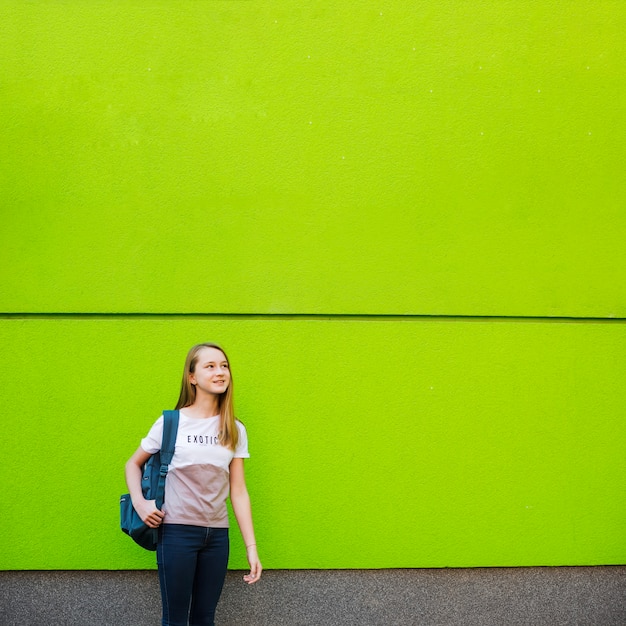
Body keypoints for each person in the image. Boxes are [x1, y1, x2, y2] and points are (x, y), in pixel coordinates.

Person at [125, 342, 261, 626]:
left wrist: (251, 546)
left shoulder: (234, 428)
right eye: (210, 366)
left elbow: (238, 491)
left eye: (224, 366)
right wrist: (140, 503)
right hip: (176, 533)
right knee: (175, 620)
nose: (220, 372)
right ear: (192, 377)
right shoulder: (171, 423)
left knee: (204, 619)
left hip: (217, 536)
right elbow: (132, 464)